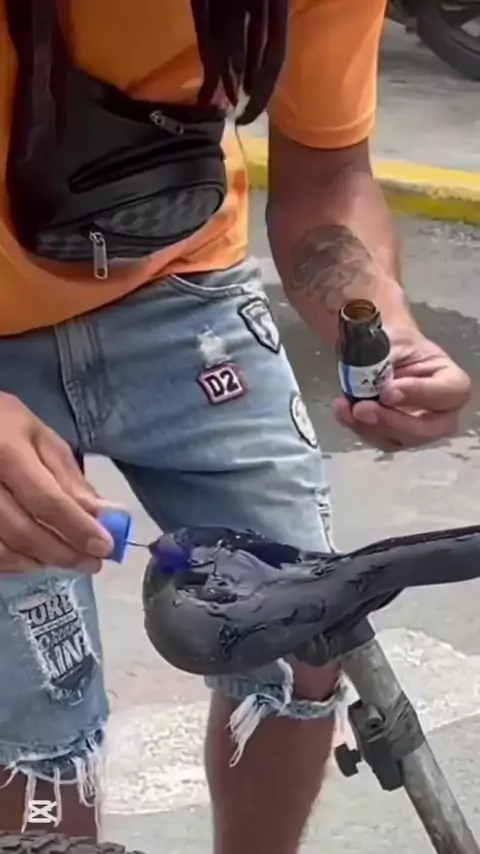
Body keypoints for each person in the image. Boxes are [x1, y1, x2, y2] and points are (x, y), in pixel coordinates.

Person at [0, 0, 471, 850]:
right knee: (35, 717)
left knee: (302, 630)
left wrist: (375, 322)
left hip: (177, 284)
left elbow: (327, 175)